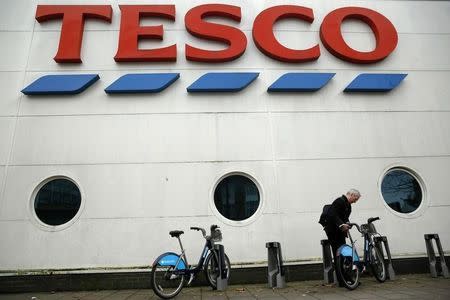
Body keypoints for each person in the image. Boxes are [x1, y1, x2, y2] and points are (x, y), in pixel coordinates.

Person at [324, 189, 361, 284]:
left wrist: (347, 224)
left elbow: (344, 217)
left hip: (340, 232)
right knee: (338, 255)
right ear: (351, 194)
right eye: (355, 199)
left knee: (343, 255)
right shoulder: (339, 201)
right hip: (333, 232)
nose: (356, 201)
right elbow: (332, 215)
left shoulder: (347, 205)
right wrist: (341, 225)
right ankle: (342, 281)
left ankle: (345, 279)